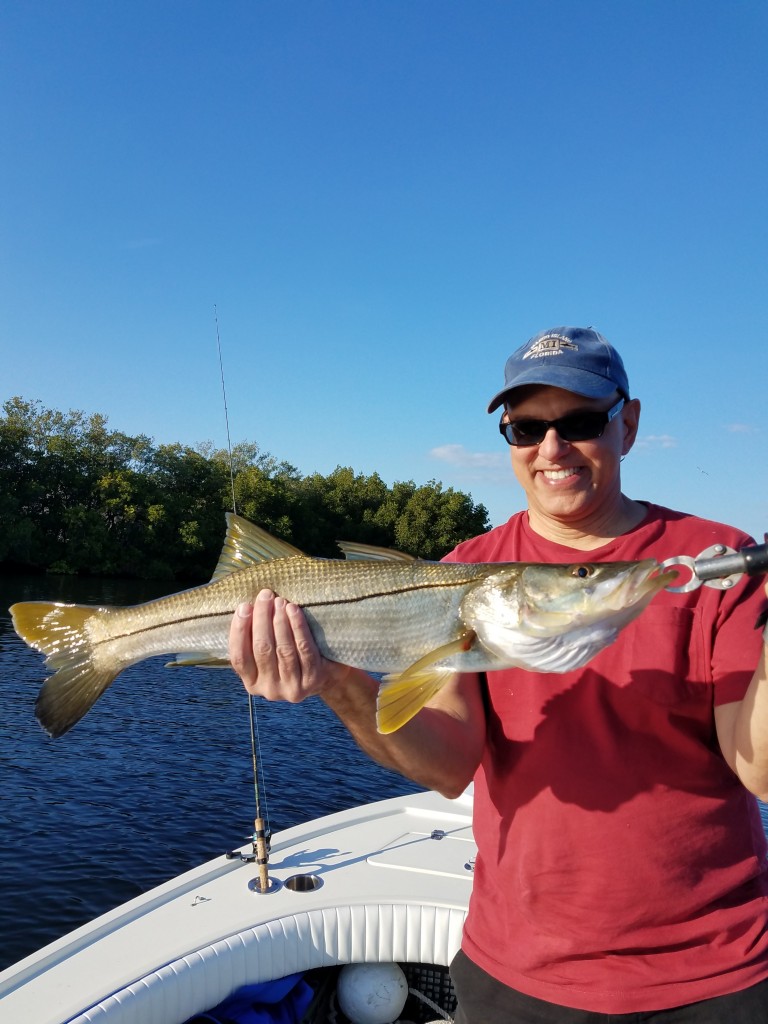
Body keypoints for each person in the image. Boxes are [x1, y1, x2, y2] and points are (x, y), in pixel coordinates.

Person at [228, 326, 768, 1022]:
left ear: (628, 424)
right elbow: (451, 765)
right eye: (525, 428)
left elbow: (759, 771)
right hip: (516, 972)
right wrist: (335, 680)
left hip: (714, 973)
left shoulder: (714, 561)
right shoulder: (466, 567)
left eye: (580, 421)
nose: (551, 448)